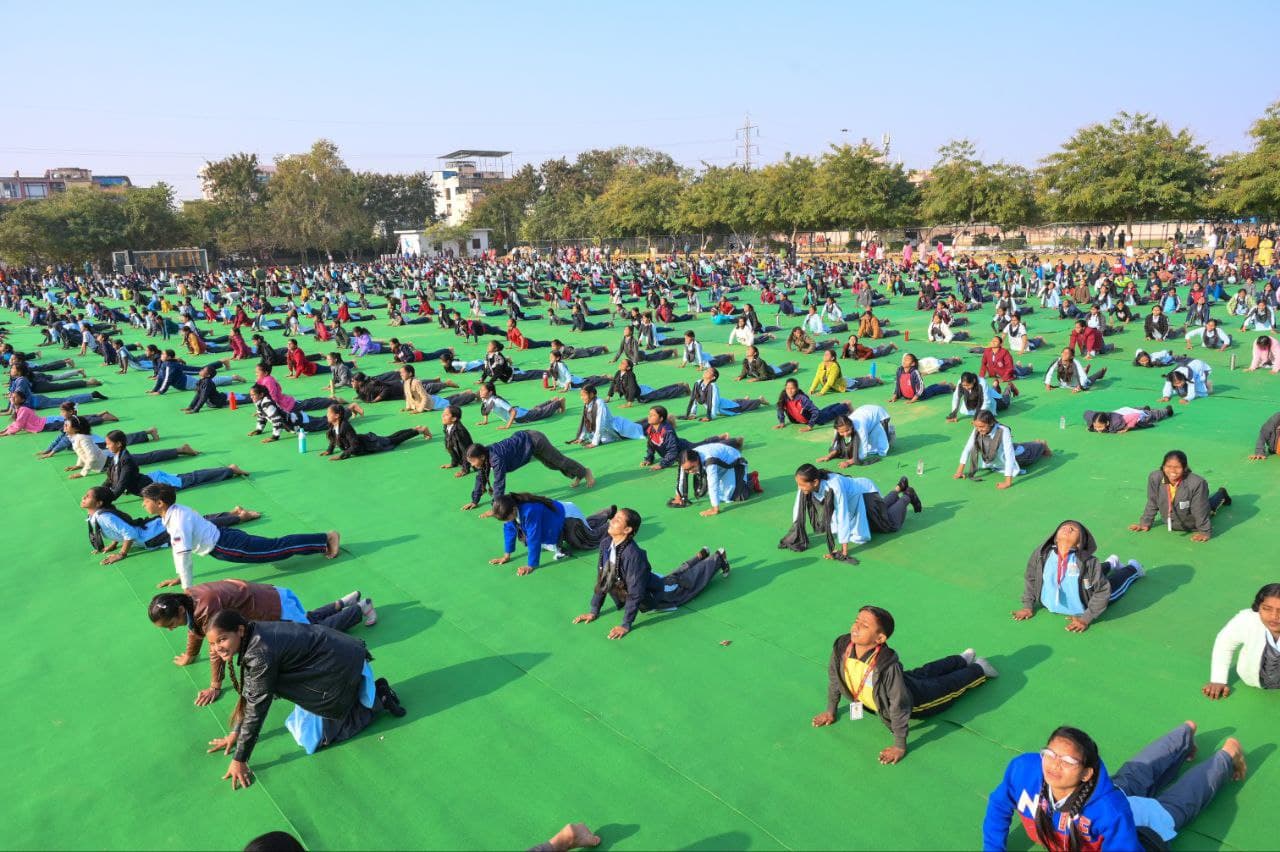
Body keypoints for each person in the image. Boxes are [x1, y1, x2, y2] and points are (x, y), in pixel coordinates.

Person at [201, 610, 405, 790]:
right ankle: (356, 697)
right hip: (335, 660)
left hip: (341, 666)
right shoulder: (254, 635)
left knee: (319, 739)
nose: (217, 647)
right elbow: (251, 692)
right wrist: (235, 732)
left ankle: (380, 698)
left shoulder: (259, 653)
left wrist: (240, 759)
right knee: (301, 728)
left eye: (222, 639)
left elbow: (256, 706)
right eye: (212, 643)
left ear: (240, 631)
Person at [811, 605, 997, 765]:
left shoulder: (886, 666)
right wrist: (830, 710)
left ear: (880, 639)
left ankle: (979, 668)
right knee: (926, 671)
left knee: (946, 686)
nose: (856, 627)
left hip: (916, 700)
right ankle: (961, 659)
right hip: (902, 682)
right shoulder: (843, 646)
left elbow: (899, 704)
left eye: (865, 625)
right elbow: (835, 678)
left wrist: (899, 745)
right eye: (857, 620)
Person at [148, 580, 376, 706]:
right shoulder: (188, 600)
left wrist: (215, 686)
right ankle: (343, 602)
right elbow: (194, 629)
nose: (170, 629)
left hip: (274, 607)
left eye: (170, 624)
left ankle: (360, 607)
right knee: (306, 623)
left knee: (315, 638)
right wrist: (190, 655)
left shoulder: (206, 608)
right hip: (274, 597)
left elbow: (214, 647)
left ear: (179, 609)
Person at [139, 483, 339, 590]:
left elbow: (183, 555)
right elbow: (179, 551)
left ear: (160, 503)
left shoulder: (177, 520)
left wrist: (187, 588)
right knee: (275, 547)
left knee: (277, 549)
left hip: (226, 545)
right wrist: (180, 577)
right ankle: (323, 539)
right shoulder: (173, 512)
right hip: (225, 540)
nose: (143, 505)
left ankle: (326, 539)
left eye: (146, 501)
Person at [572, 508, 729, 639]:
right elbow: (603, 578)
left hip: (656, 593)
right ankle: (699, 557)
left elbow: (636, 593)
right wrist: (594, 610)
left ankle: (718, 558)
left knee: (686, 585)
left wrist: (625, 624)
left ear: (627, 530)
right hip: (648, 580)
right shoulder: (606, 543)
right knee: (671, 579)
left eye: (618, 520)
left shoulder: (633, 555)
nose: (612, 520)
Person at [982, 726, 1139, 851]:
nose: (1055, 764)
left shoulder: (1112, 811)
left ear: (1086, 774)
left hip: (1138, 820)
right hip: (1104, 794)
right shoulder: (1023, 770)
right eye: (1050, 754)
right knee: (1135, 774)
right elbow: (999, 806)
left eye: (1068, 761)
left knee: (1149, 785)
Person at [1110, 722, 1248, 847]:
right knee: (1129, 779)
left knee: (1173, 807)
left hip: (1123, 833)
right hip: (1098, 803)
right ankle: (1182, 735)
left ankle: (1228, 755)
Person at [1012, 520, 1144, 632]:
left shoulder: (1089, 562)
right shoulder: (1042, 554)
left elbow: (1103, 592)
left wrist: (1085, 618)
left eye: (1073, 529)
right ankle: (1111, 562)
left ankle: (1133, 569)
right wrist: (1027, 606)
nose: (1067, 528)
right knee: (1088, 577)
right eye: (1063, 527)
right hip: (1080, 586)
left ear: (1080, 543)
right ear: (1055, 537)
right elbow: (1031, 577)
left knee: (1112, 586)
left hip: (1086, 600)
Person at [83, 485, 257, 564]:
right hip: (150, 528)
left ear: (99, 504)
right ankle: (233, 513)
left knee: (199, 524)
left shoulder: (104, 517)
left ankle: (240, 517)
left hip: (150, 536)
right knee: (199, 520)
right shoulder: (100, 515)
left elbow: (129, 534)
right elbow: (118, 530)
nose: (84, 498)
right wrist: (113, 543)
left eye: (87, 496)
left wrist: (121, 554)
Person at [781, 465, 920, 563]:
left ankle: (908, 495)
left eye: (801, 485)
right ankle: (898, 488)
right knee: (880, 512)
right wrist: (794, 535)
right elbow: (797, 509)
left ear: (815, 482)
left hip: (866, 493)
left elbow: (842, 514)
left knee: (888, 524)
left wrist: (844, 550)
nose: (799, 488)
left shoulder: (834, 485)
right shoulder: (806, 485)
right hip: (854, 499)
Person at [463, 431, 594, 510]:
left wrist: (496, 507)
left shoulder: (496, 458)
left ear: (481, 456)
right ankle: (579, 474)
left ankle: (585, 472)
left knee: (558, 460)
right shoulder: (485, 457)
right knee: (551, 464)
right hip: (528, 444)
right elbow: (480, 478)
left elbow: (499, 483)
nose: (473, 465)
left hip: (535, 440)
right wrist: (474, 501)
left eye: (473, 462)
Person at [486, 492, 611, 575]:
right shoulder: (510, 509)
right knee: (586, 529)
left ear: (513, 510)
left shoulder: (529, 511)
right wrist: (506, 556)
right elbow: (509, 530)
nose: (508, 521)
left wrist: (531, 565)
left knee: (588, 541)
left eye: (507, 518)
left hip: (568, 517)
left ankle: (612, 525)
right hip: (556, 521)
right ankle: (605, 514)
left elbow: (534, 537)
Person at [103, 430, 248, 500]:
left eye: (109, 444)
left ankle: (229, 470)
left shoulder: (126, 460)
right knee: (191, 477)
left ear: (119, 444)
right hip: (151, 481)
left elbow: (121, 484)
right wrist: (98, 492)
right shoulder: (116, 457)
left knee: (194, 478)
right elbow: (110, 479)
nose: (107, 446)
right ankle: (228, 470)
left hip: (158, 484)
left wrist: (105, 500)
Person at [1131, 450, 1231, 543]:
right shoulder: (1155, 478)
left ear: (1184, 468)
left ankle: (1221, 494)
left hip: (1192, 524)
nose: (1172, 471)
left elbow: (1199, 510)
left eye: (1177, 467)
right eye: (1168, 466)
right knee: (1204, 504)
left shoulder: (1197, 483)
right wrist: (1145, 522)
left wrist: (1204, 532)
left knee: (1209, 507)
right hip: (1171, 521)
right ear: (1163, 466)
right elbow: (1152, 501)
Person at [1203, 582, 1280, 699]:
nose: (1274, 616)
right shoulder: (1247, 620)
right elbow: (1224, 643)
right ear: (1258, 607)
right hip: (1250, 678)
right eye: (1266, 609)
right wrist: (1218, 679)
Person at [955, 410, 1052, 489]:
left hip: (1018, 456)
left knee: (1030, 453)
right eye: (976, 426)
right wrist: (959, 472)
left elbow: (1010, 456)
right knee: (1015, 446)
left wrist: (1007, 482)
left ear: (991, 423)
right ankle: (1033, 444)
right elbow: (968, 448)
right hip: (1001, 453)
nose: (978, 429)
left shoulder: (1003, 430)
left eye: (981, 427)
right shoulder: (977, 428)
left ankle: (1041, 444)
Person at [668, 442, 756, 516]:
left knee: (734, 497)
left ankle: (751, 479)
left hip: (735, 463)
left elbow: (712, 483)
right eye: (687, 469)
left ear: (697, 460)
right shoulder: (685, 460)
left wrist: (715, 508)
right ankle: (740, 480)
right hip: (720, 467)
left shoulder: (709, 461)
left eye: (692, 467)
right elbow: (681, 479)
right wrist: (678, 495)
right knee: (716, 494)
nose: (690, 472)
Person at [320, 404, 430, 460]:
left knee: (395, 440)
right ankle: (415, 429)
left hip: (370, 443)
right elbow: (334, 437)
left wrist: (341, 456)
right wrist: (329, 450)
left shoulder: (345, 426)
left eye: (329, 413)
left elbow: (355, 445)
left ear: (337, 416)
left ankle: (420, 430)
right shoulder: (333, 425)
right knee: (391, 437)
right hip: (366, 441)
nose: (327, 415)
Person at [570, 384, 643, 447]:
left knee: (641, 428)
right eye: (581, 395)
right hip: (604, 432)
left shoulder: (599, 403)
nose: (581, 397)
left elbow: (600, 422)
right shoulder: (587, 404)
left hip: (617, 430)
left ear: (591, 394)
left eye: (584, 395)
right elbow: (585, 421)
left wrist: (594, 442)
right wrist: (581, 438)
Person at [684, 366, 765, 420]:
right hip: (725, 404)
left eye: (709, 371)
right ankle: (744, 400)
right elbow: (694, 397)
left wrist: (710, 416)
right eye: (706, 370)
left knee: (741, 407)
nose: (706, 371)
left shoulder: (713, 387)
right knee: (735, 402)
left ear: (713, 377)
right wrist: (693, 413)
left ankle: (760, 400)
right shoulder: (698, 383)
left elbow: (715, 402)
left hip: (729, 407)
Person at [774, 378, 851, 431]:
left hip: (817, 419)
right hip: (805, 419)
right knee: (823, 411)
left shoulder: (802, 399)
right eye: (788, 388)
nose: (790, 391)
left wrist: (810, 426)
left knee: (830, 414)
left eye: (792, 388)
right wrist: (781, 422)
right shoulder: (784, 397)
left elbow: (815, 412)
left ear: (797, 389)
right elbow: (780, 408)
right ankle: (840, 404)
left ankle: (846, 405)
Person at [889, 353, 955, 403]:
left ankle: (949, 386)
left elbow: (921, 387)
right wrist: (894, 397)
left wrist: (913, 400)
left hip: (921, 396)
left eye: (907, 360)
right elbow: (898, 385)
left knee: (934, 391)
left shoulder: (915, 372)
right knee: (929, 388)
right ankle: (938, 384)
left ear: (913, 364)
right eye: (904, 359)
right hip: (909, 395)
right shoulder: (899, 370)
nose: (904, 361)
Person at [1085, 406, 1174, 434]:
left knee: (1152, 416)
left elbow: (1135, 415)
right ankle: (1144, 408)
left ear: (1107, 423)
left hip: (1136, 416)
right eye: (1096, 426)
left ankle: (1167, 410)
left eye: (1100, 427)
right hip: (1125, 411)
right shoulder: (1095, 418)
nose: (1097, 429)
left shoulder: (1117, 423)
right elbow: (1086, 412)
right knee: (1138, 409)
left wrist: (1127, 427)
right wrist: (1090, 425)